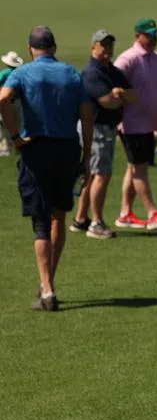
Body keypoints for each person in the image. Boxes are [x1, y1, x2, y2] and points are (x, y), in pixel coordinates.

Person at [0, 26, 94, 311]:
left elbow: (3, 98)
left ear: (31, 49)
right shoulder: (71, 74)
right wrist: (86, 155)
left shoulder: (24, 72)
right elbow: (87, 116)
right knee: (58, 215)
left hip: (36, 149)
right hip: (67, 149)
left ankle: (48, 290)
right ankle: (47, 282)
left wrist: (15, 137)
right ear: (54, 47)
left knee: (40, 221)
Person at [113, 18, 157, 231]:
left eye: (154, 35)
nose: (152, 39)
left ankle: (125, 213)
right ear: (137, 36)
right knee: (140, 169)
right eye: (148, 35)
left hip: (149, 123)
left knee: (134, 168)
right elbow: (113, 84)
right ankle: (152, 213)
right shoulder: (127, 59)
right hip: (131, 123)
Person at [72, 29, 134, 240]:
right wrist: (118, 95)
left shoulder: (112, 71)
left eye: (109, 44)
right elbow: (107, 101)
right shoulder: (92, 72)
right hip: (96, 128)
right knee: (101, 174)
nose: (107, 48)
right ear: (93, 47)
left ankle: (81, 219)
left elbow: (132, 96)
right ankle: (96, 222)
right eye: (103, 44)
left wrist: (120, 93)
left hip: (105, 129)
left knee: (93, 174)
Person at [0, 51, 23, 156]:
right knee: (18, 124)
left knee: (5, 125)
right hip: (18, 102)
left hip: (6, 102)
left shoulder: (5, 73)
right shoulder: (20, 73)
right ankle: (19, 147)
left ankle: (6, 149)